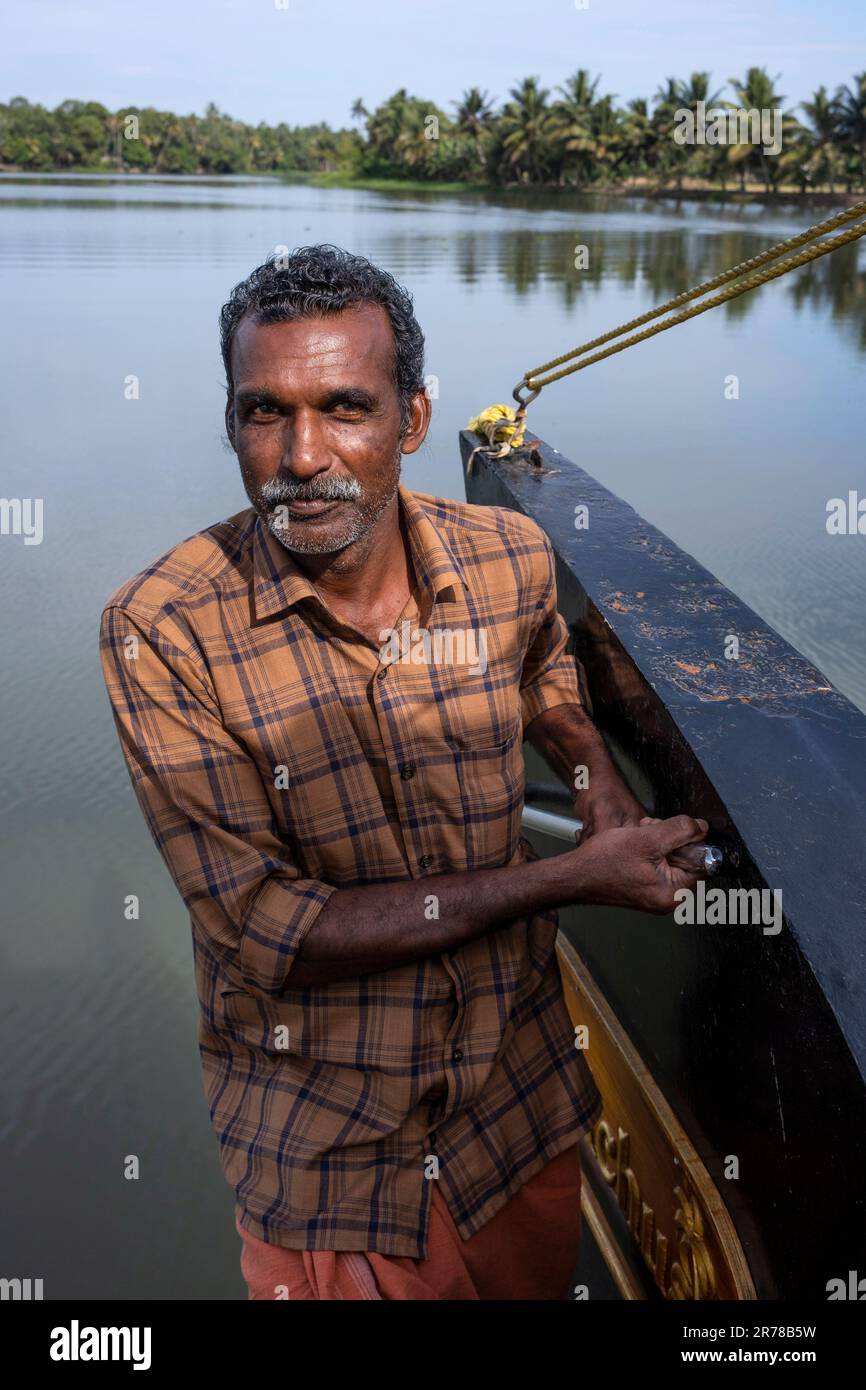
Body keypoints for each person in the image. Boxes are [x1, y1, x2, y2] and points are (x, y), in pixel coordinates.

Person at [99, 244, 708, 1300]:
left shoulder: (506, 560)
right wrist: (569, 875)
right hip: (335, 1158)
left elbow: (541, 669)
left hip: (515, 1115)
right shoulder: (161, 631)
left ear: (412, 422)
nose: (300, 455)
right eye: (262, 411)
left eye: (344, 406)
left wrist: (591, 769)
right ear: (231, 420)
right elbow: (265, 932)